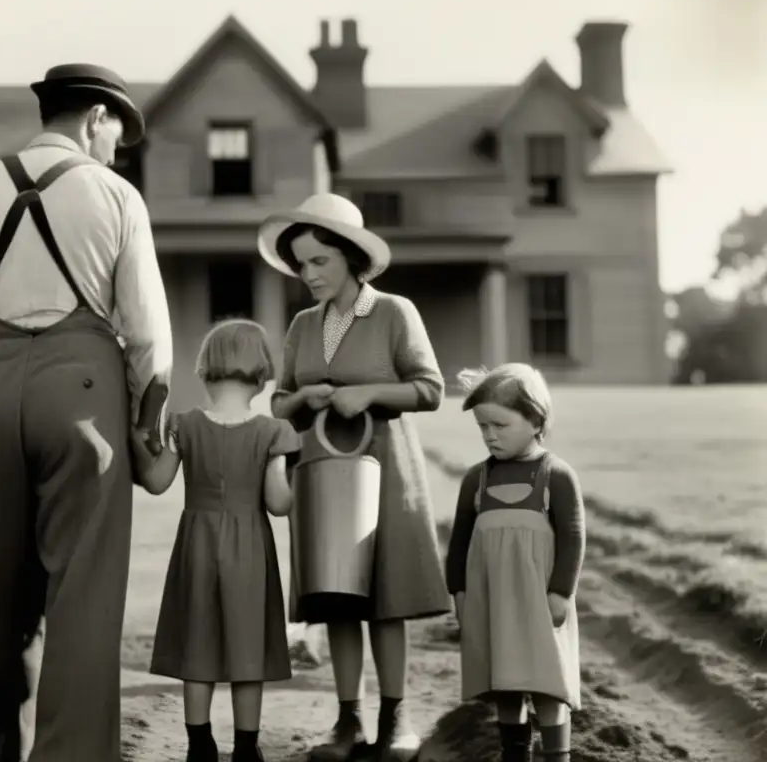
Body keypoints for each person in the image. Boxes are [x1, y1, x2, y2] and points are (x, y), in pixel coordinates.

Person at [0, 63, 173, 762]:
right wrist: (150, 425)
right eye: (118, 134)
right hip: (84, 395)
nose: (118, 150)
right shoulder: (115, 195)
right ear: (95, 118)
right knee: (83, 587)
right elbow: (148, 334)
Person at [257, 193, 452, 761]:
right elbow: (278, 403)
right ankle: (348, 721)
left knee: (384, 596)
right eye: (301, 264)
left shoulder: (394, 312)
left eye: (319, 261)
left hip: (384, 469)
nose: (309, 274)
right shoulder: (300, 324)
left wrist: (368, 392)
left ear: (349, 256)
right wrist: (304, 398)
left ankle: (396, 717)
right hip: (318, 470)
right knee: (336, 596)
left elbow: (432, 389)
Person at [131, 319, 302, 762]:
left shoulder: (184, 425)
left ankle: (199, 745)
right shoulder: (273, 432)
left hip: (197, 546)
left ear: (204, 370)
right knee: (249, 649)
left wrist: (136, 444)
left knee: (198, 646)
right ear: (262, 374)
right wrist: (300, 482)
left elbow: (155, 482)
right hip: (249, 549)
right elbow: (279, 503)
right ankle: (246, 747)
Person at [444, 363, 585, 762]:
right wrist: (459, 592)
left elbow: (574, 538)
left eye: (499, 425)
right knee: (506, 684)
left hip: (541, 603)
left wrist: (561, 593)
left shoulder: (555, 475)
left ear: (536, 420)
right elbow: (459, 542)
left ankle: (558, 755)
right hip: (494, 603)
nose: (489, 436)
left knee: (546, 684)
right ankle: (515, 754)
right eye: (482, 427)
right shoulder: (477, 480)